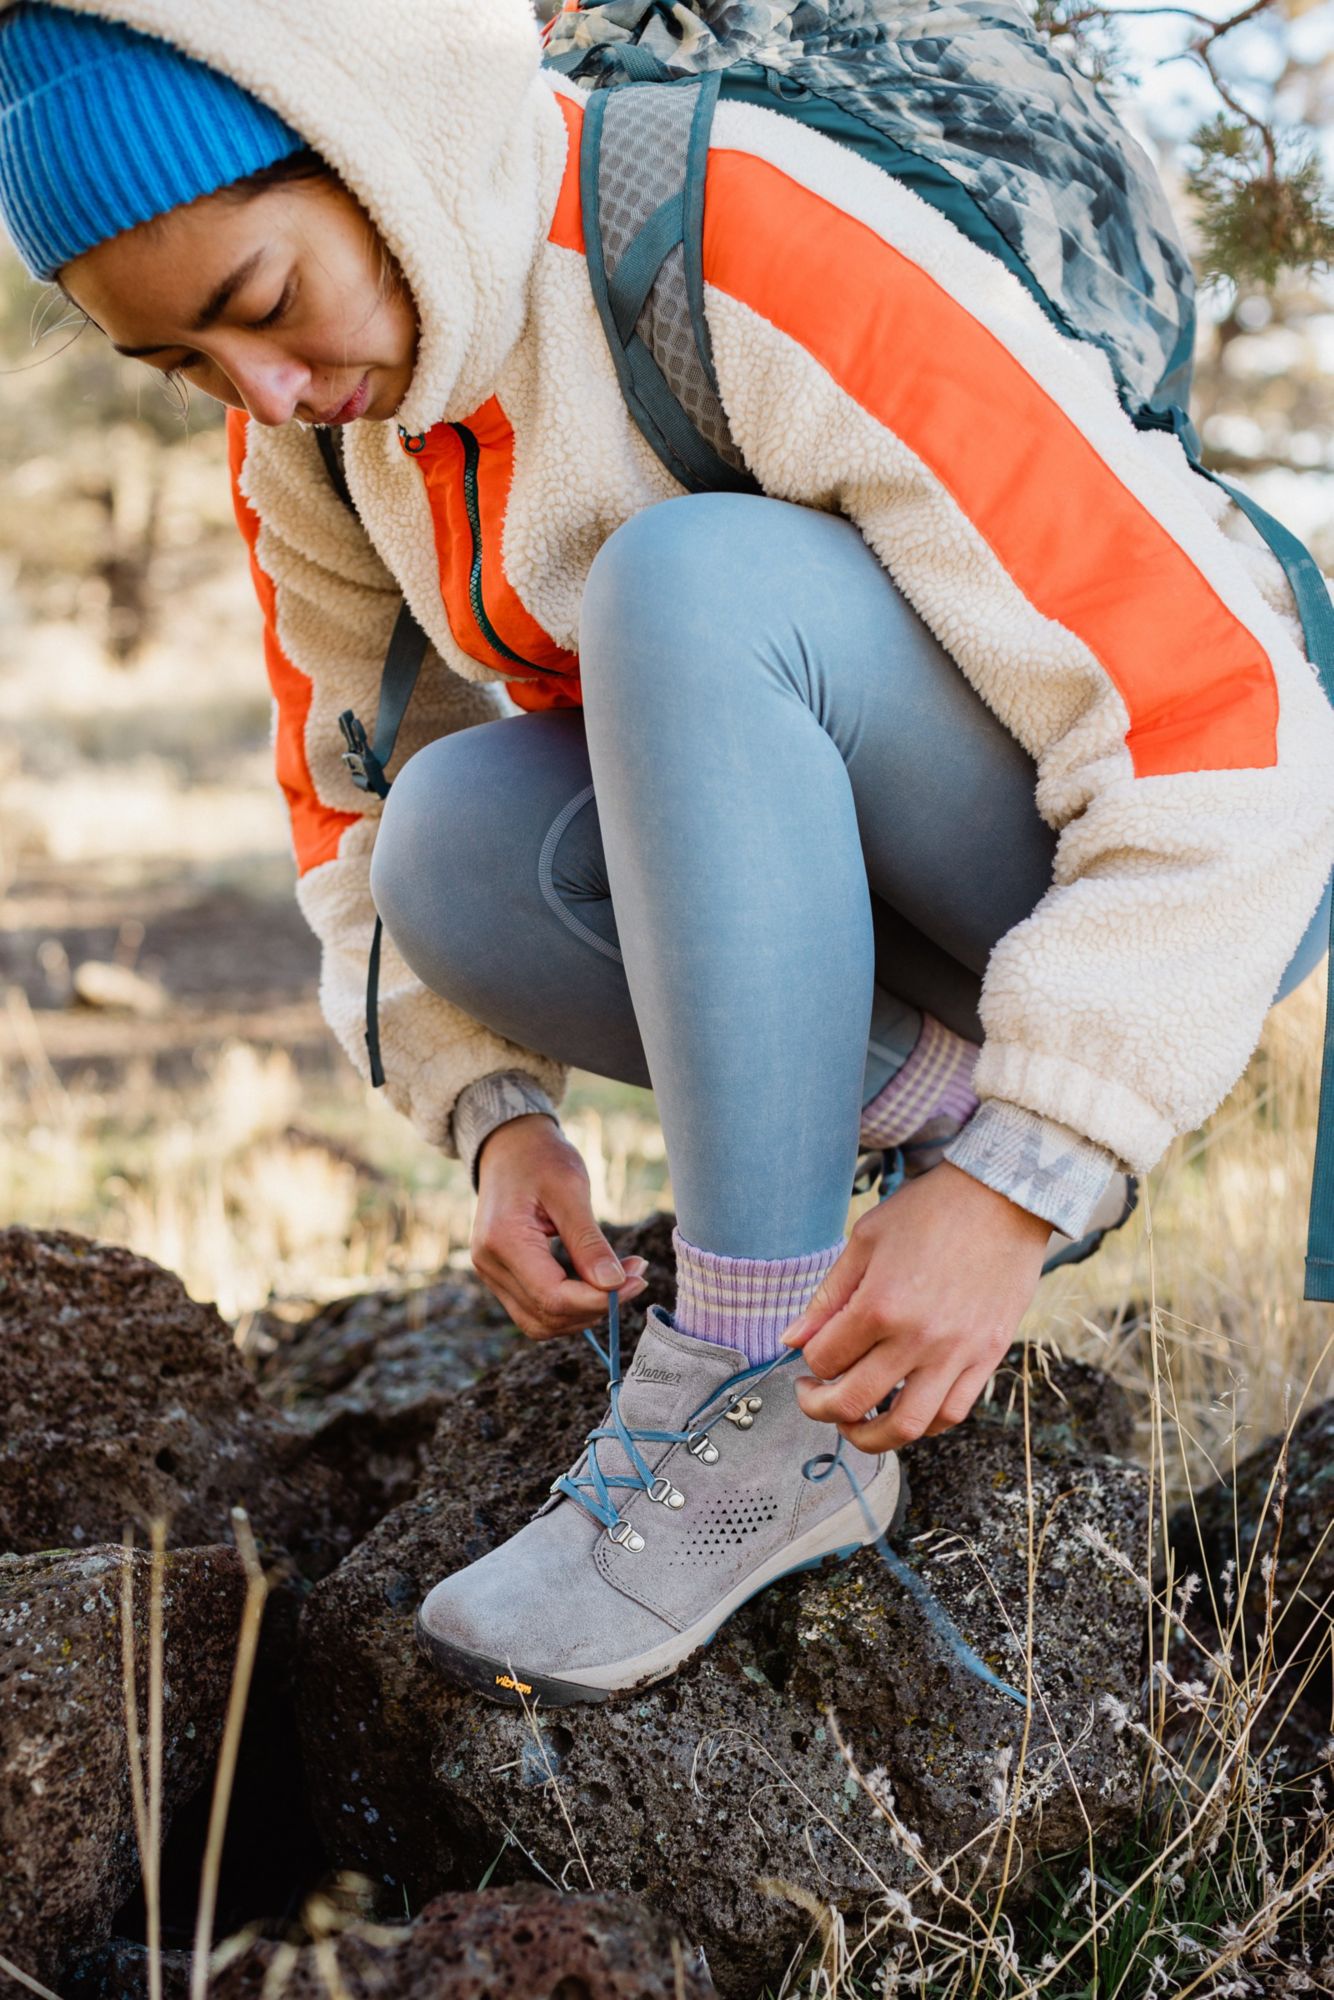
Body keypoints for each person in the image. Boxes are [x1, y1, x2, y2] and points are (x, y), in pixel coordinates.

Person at [2, 0, 1331, 1706]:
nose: (261, 390)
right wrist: (492, 1120)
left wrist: (1022, 1184)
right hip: (855, 904)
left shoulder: (742, 226)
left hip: (1154, 853)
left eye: (258, 306)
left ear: (377, 145)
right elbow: (348, 794)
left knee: (686, 583)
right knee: (452, 843)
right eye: (181, 365)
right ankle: (922, 1098)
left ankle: (746, 1381)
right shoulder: (320, 441)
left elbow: (1223, 717)